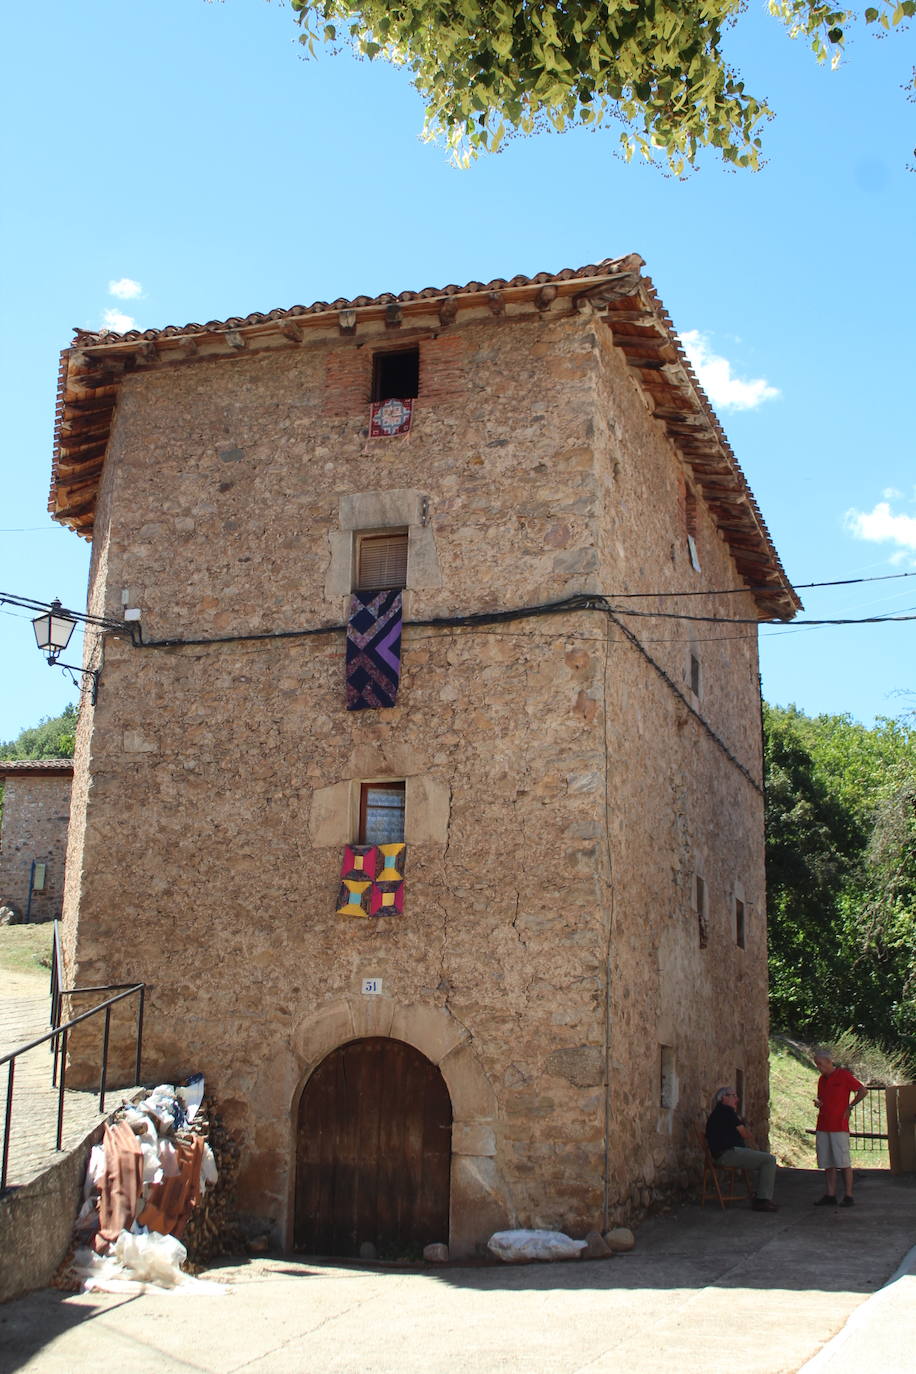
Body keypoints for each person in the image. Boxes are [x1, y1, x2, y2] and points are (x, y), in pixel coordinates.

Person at [705, 1085, 779, 1212]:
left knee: (763, 1159)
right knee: (769, 1160)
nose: (737, 1099)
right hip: (728, 1154)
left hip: (723, 1153)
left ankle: (761, 1197)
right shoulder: (727, 1112)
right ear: (724, 1098)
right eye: (733, 1096)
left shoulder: (718, 1113)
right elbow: (744, 1134)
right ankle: (762, 1200)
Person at [812, 1048, 867, 1207]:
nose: (819, 1067)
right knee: (827, 1161)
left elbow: (862, 1090)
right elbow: (822, 1098)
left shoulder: (843, 1075)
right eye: (817, 1064)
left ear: (829, 1062)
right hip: (823, 1124)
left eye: (820, 1064)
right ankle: (830, 1194)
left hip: (839, 1125)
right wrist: (819, 1103)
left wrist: (850, 1107)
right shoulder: (822, 1080)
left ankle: (848, 1195)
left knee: (843, 1162)